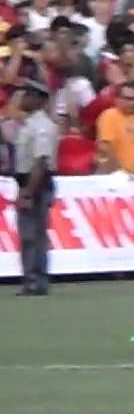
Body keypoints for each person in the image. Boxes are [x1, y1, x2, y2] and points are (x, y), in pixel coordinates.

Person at [13, 79, 59, 296]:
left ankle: (35, 279)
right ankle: (33, 277)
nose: (23, 99)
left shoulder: (41, 127)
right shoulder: (31, 124)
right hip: (30, 182)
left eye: (28, 95)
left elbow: (41, 161)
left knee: (34, 235)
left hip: (36, 184)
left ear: (39, 100)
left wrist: (29, 192)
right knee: (31, 235)